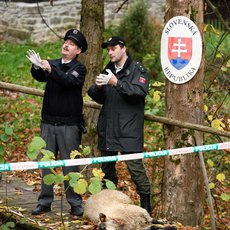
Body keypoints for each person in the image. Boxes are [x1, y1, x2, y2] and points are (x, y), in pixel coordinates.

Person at [26, 29, 88, 216]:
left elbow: (67, 81)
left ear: (78, 51)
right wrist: (37, 66)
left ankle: (75, 202)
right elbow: (38, 77)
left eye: (71, 43)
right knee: (46, 165)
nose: (66, 45)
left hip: (69, 125)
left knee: (70, 165)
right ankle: (44, 202)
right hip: (48, 123)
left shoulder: (79, 69)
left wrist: (51, 70)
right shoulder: (51, 63)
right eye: (66, 41)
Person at [87, 36, 151, 213]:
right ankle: (109, 209)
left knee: (136, 171)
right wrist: (98, 87)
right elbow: (98, 97)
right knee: (107, 171)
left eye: (113, 48)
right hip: (108, 128)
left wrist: (116, 83)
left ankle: (147, 208)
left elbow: (138, 92)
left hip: (129, 129)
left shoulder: (137, 69)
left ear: (123, 49)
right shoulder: (109, 68)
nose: (109, 52)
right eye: (107, 49)